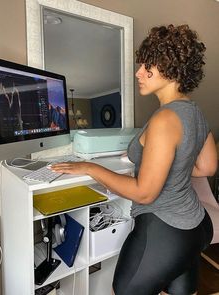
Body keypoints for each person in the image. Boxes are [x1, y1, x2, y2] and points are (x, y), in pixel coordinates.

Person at [49, 24, 218, 295]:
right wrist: (161, 169)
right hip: (198, 226)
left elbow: (144, 193)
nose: (139, 72)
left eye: (147, 65)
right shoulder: (194, 111)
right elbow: (207, 166)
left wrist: (91, 168)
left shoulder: (165, 118)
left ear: (171, 67)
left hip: (167, 229)